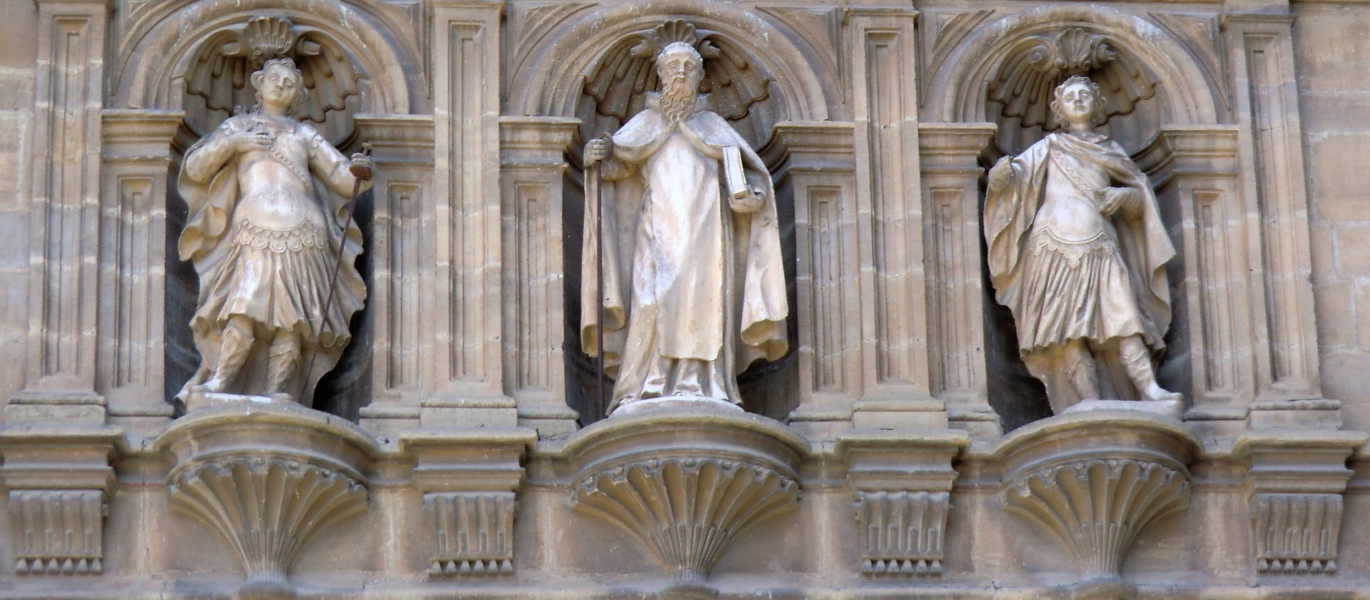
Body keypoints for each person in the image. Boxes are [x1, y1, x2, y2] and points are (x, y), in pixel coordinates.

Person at [581, 41, 788, 415]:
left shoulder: (714, 127)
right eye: (672, 66)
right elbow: (615, 171)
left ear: (700, 76)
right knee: (650, 301)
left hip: (707, 235)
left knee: (703, 303)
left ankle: (704, 384)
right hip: (656, 231)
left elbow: (749, 179)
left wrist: (753, 198)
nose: (680, 73)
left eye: (688, 67)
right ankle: (645, 385)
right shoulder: (644, 125)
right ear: (659, 75)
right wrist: (595, 160)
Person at [176, 57, 374, 404]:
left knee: (293, 317)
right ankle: (221, 383)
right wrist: (232, 145)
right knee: (242, 305)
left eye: (289, 82)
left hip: (305, 231)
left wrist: (359, 172)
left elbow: (341, 176)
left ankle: (279, 393)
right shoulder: (239, 127)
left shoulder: (304, 135)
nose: (281, 84)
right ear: (259, 84)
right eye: (275, 78)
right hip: (254, 226)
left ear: (297, 94)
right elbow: (195, 167)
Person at [984, 75, 1181, 414]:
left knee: (1125, 317)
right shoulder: (1048, 147)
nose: (1077, 100)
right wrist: (1001, 177)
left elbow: (1140, 199)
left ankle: (1149, 390)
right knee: (1068, 330)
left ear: (1097, 105)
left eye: (1084, 95)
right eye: (1070, 97)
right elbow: (1016, 180)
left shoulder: (1111, 151)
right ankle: (1087, 400)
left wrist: (1123, 196)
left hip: (1101, 244)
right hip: (1052, 246)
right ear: (1058, 109)